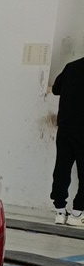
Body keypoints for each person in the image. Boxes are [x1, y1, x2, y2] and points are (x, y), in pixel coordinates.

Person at [50, 55, 84, 225]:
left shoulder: (71, 67)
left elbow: (56, 89)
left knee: (62, 168)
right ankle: (77, 214)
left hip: (65, 127)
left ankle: (60, 210)